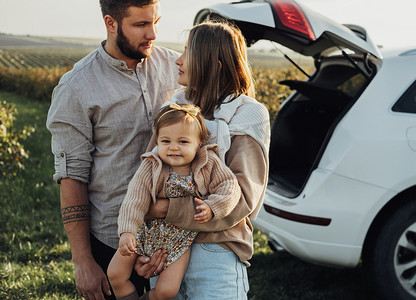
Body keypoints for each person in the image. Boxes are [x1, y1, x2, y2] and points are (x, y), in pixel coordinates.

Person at [46, 1, 181, 299]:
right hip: (110, 240)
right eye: (141, 25)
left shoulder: (178, 69)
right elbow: (72, 177)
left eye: (156, 21)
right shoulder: (77, 87)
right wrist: (83, 262)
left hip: (171, 235)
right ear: (111, 23)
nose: (153, 33)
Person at [135, 20, 271, 299]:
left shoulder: (248, 115)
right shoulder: (173, 109)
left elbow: (243, 198)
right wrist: (144, 245)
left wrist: (163, 209)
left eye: (188, 53)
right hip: (166, 248)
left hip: (215, 251)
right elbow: (150, 175)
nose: (179, 60)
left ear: (214, 65)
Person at [107, 103, 241, 300]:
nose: (173, 148)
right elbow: (134, 199)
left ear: (199, 143)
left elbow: (230, 186)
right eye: (166, 141)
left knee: (166, 291)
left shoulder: (208, 162)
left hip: (180, 238)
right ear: (158, 141)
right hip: (145, 231)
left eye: (183, 142)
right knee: (115, 274)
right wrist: (128, 231)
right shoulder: (151, 165)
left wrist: (213, 207)